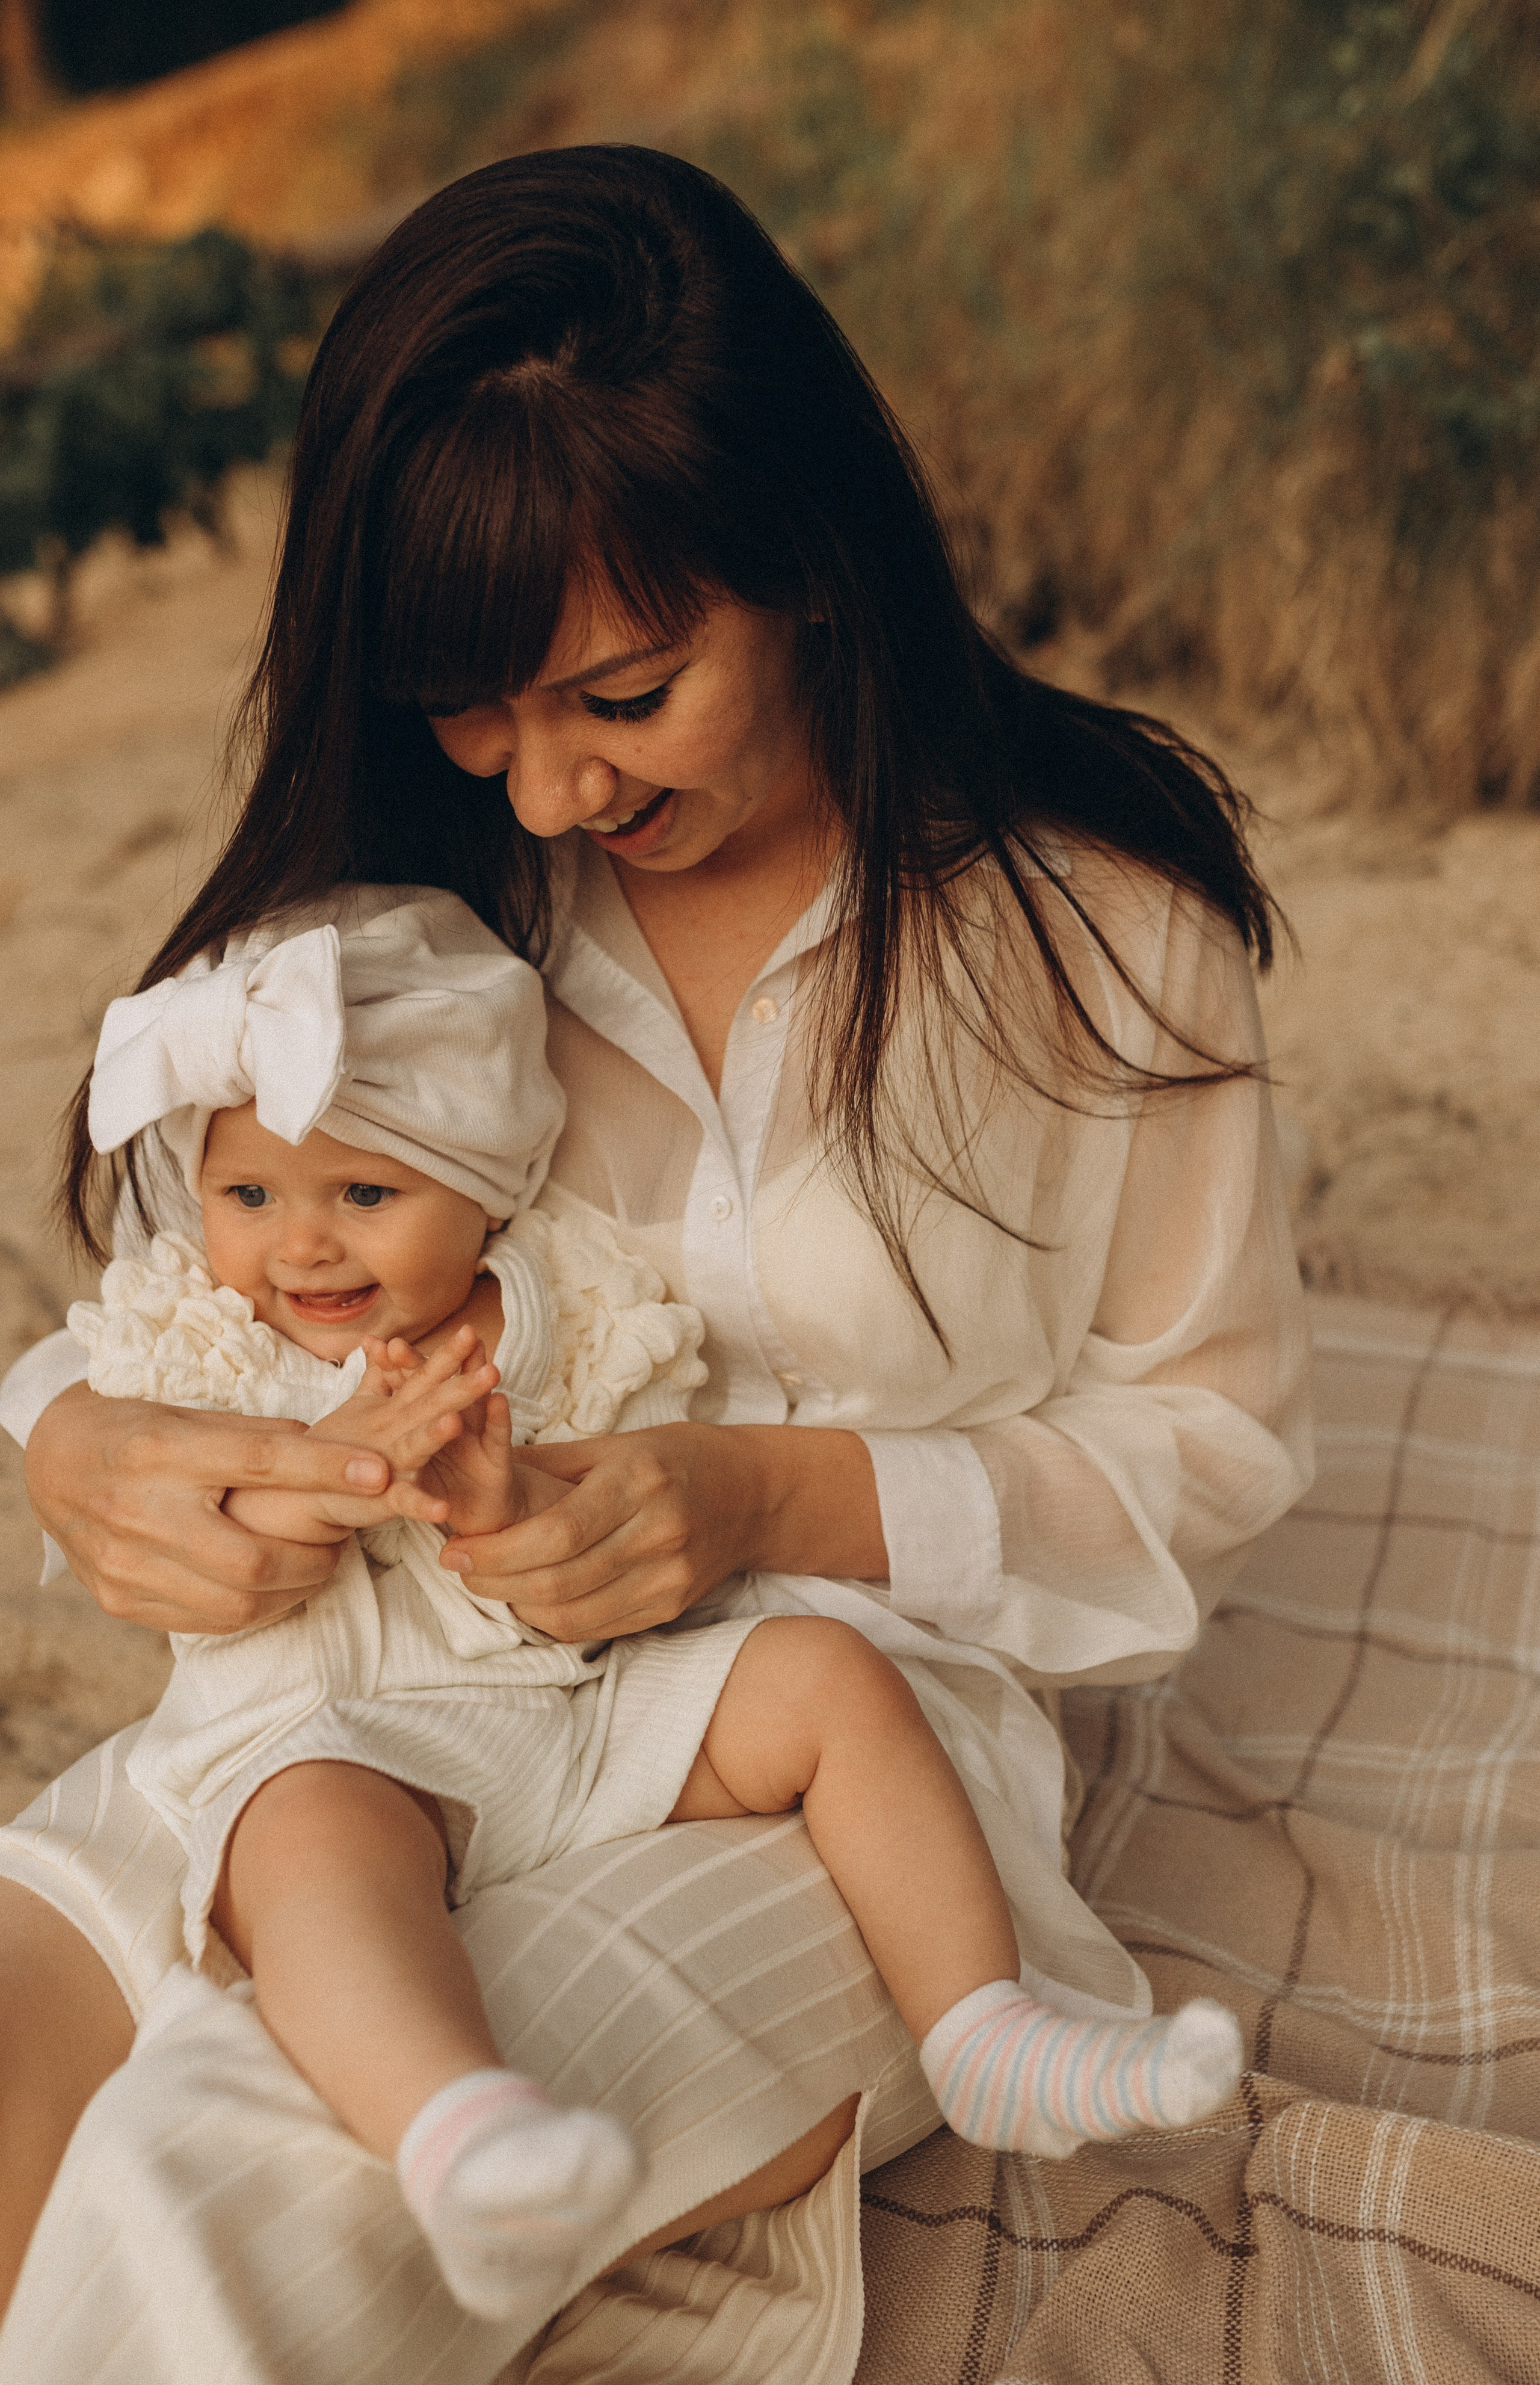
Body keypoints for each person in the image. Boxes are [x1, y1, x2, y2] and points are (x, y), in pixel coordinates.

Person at [0, 145, 1311, 2384]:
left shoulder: (1098, 939)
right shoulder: (413, 922)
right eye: (470, 703)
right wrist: (82, 1443)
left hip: (820, 1751)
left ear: (804, 562)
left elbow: (1208, 1442)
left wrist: (763, 1493)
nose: (543, 793)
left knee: (228, 2185)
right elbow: (173, 1284)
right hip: (345, 1709)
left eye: (622, 692)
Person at [69, 885, 1243, 2328]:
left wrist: (499, 1498)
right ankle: (456, 2131)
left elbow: (580, 1555)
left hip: (567, 1710)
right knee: (314, 1840)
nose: (300, 1244)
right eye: (250, 1195)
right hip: (330, 1734)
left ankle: (983, 2028)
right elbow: (207, 1534)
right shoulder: (205, 1334)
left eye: (365, 1196)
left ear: (483, 1190)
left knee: (822, 1674)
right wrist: (333, 1474)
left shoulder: (556, 1309)